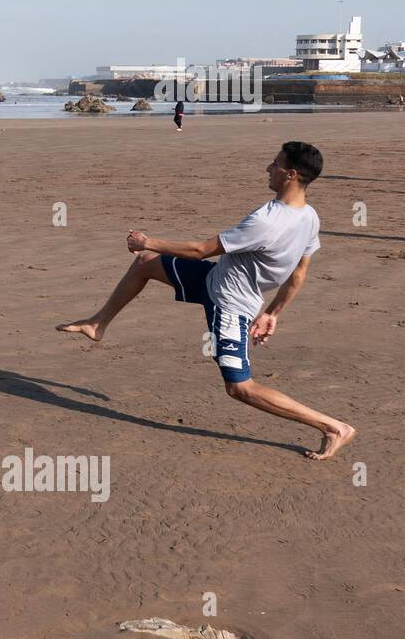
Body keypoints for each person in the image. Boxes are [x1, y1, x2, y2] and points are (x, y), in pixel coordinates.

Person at [56, 141, 355, 461]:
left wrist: (148, 240)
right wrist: (273, 313)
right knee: (145, 263)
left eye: (275, 164)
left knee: (240, 387)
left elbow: (201, 250)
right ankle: (98, 323)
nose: (268, 168)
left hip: (230, 304)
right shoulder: (309, 216)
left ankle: (332, 427)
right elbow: (298, 274)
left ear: (291, 174)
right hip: (215, 281)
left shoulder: (267, 221)